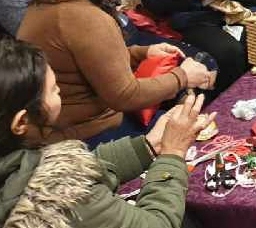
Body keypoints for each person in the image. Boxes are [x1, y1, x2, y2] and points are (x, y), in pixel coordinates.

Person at [17, 0, 212, 144]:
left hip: (69, 126)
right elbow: (125, 96)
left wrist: (140, 53)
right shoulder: (85, 16)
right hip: (83, 135)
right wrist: (183, 77)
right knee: (190, 133)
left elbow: (86, 64)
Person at [0, 38, 214, 228]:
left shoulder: (18, 160)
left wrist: (147, 146)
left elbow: (63, 169)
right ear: (22, 122)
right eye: (54, 90)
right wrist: (173, 153)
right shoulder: (55, 200)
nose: (61, 93)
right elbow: (159, 223)